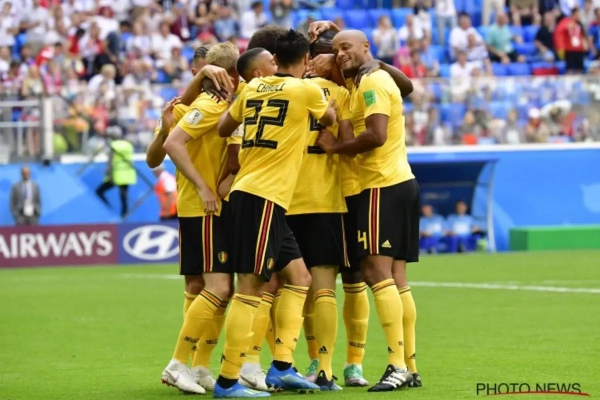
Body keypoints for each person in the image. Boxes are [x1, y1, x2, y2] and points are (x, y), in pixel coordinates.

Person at [216, 29, 336, 398]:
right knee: (250, 287)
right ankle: (227, 382)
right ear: (305, 59)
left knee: (299, 277)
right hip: (262, 197)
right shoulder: (306, 90)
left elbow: (224, 127)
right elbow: (331, 119)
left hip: (259, 194)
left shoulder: (253, 87)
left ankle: (282, 366)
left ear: (275, 60)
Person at [316, 29, 421, 392]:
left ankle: (396, 365)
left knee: (376, 272)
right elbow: (404, 88)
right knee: (396, 278)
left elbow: (376, 135)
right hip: (395, 182)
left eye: (345, 48)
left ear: (366, 48)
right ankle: (410, 365)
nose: (339, 54)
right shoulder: (361, 84)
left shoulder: (373, 81)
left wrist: (334, 149)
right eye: (335, 50)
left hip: (380, 185)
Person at [159, 42, 241, 395]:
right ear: (232, 74)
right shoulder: (209, 106)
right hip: (203, 208)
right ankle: (178, 363)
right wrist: (204, 187)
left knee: (222, 290)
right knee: (216, 288)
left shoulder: (226, 105)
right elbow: (168, 146)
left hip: (216, 208)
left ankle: (201, 365)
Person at [146, 45, 212, 169]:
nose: (213, 77)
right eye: (205, 73)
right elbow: (152, 161)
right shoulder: (176, 108)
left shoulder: (233, 103)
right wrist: (164, 131)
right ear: (195, 74)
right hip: (190, 183)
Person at [95, 126, 137, 219]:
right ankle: (124, 216)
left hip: (115, 174)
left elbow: (111, 161)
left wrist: (108, 172)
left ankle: (109, 210)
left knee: (99, 191)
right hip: (127, 174)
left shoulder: (112, 145)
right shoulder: (127, 144)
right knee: (123, 197)